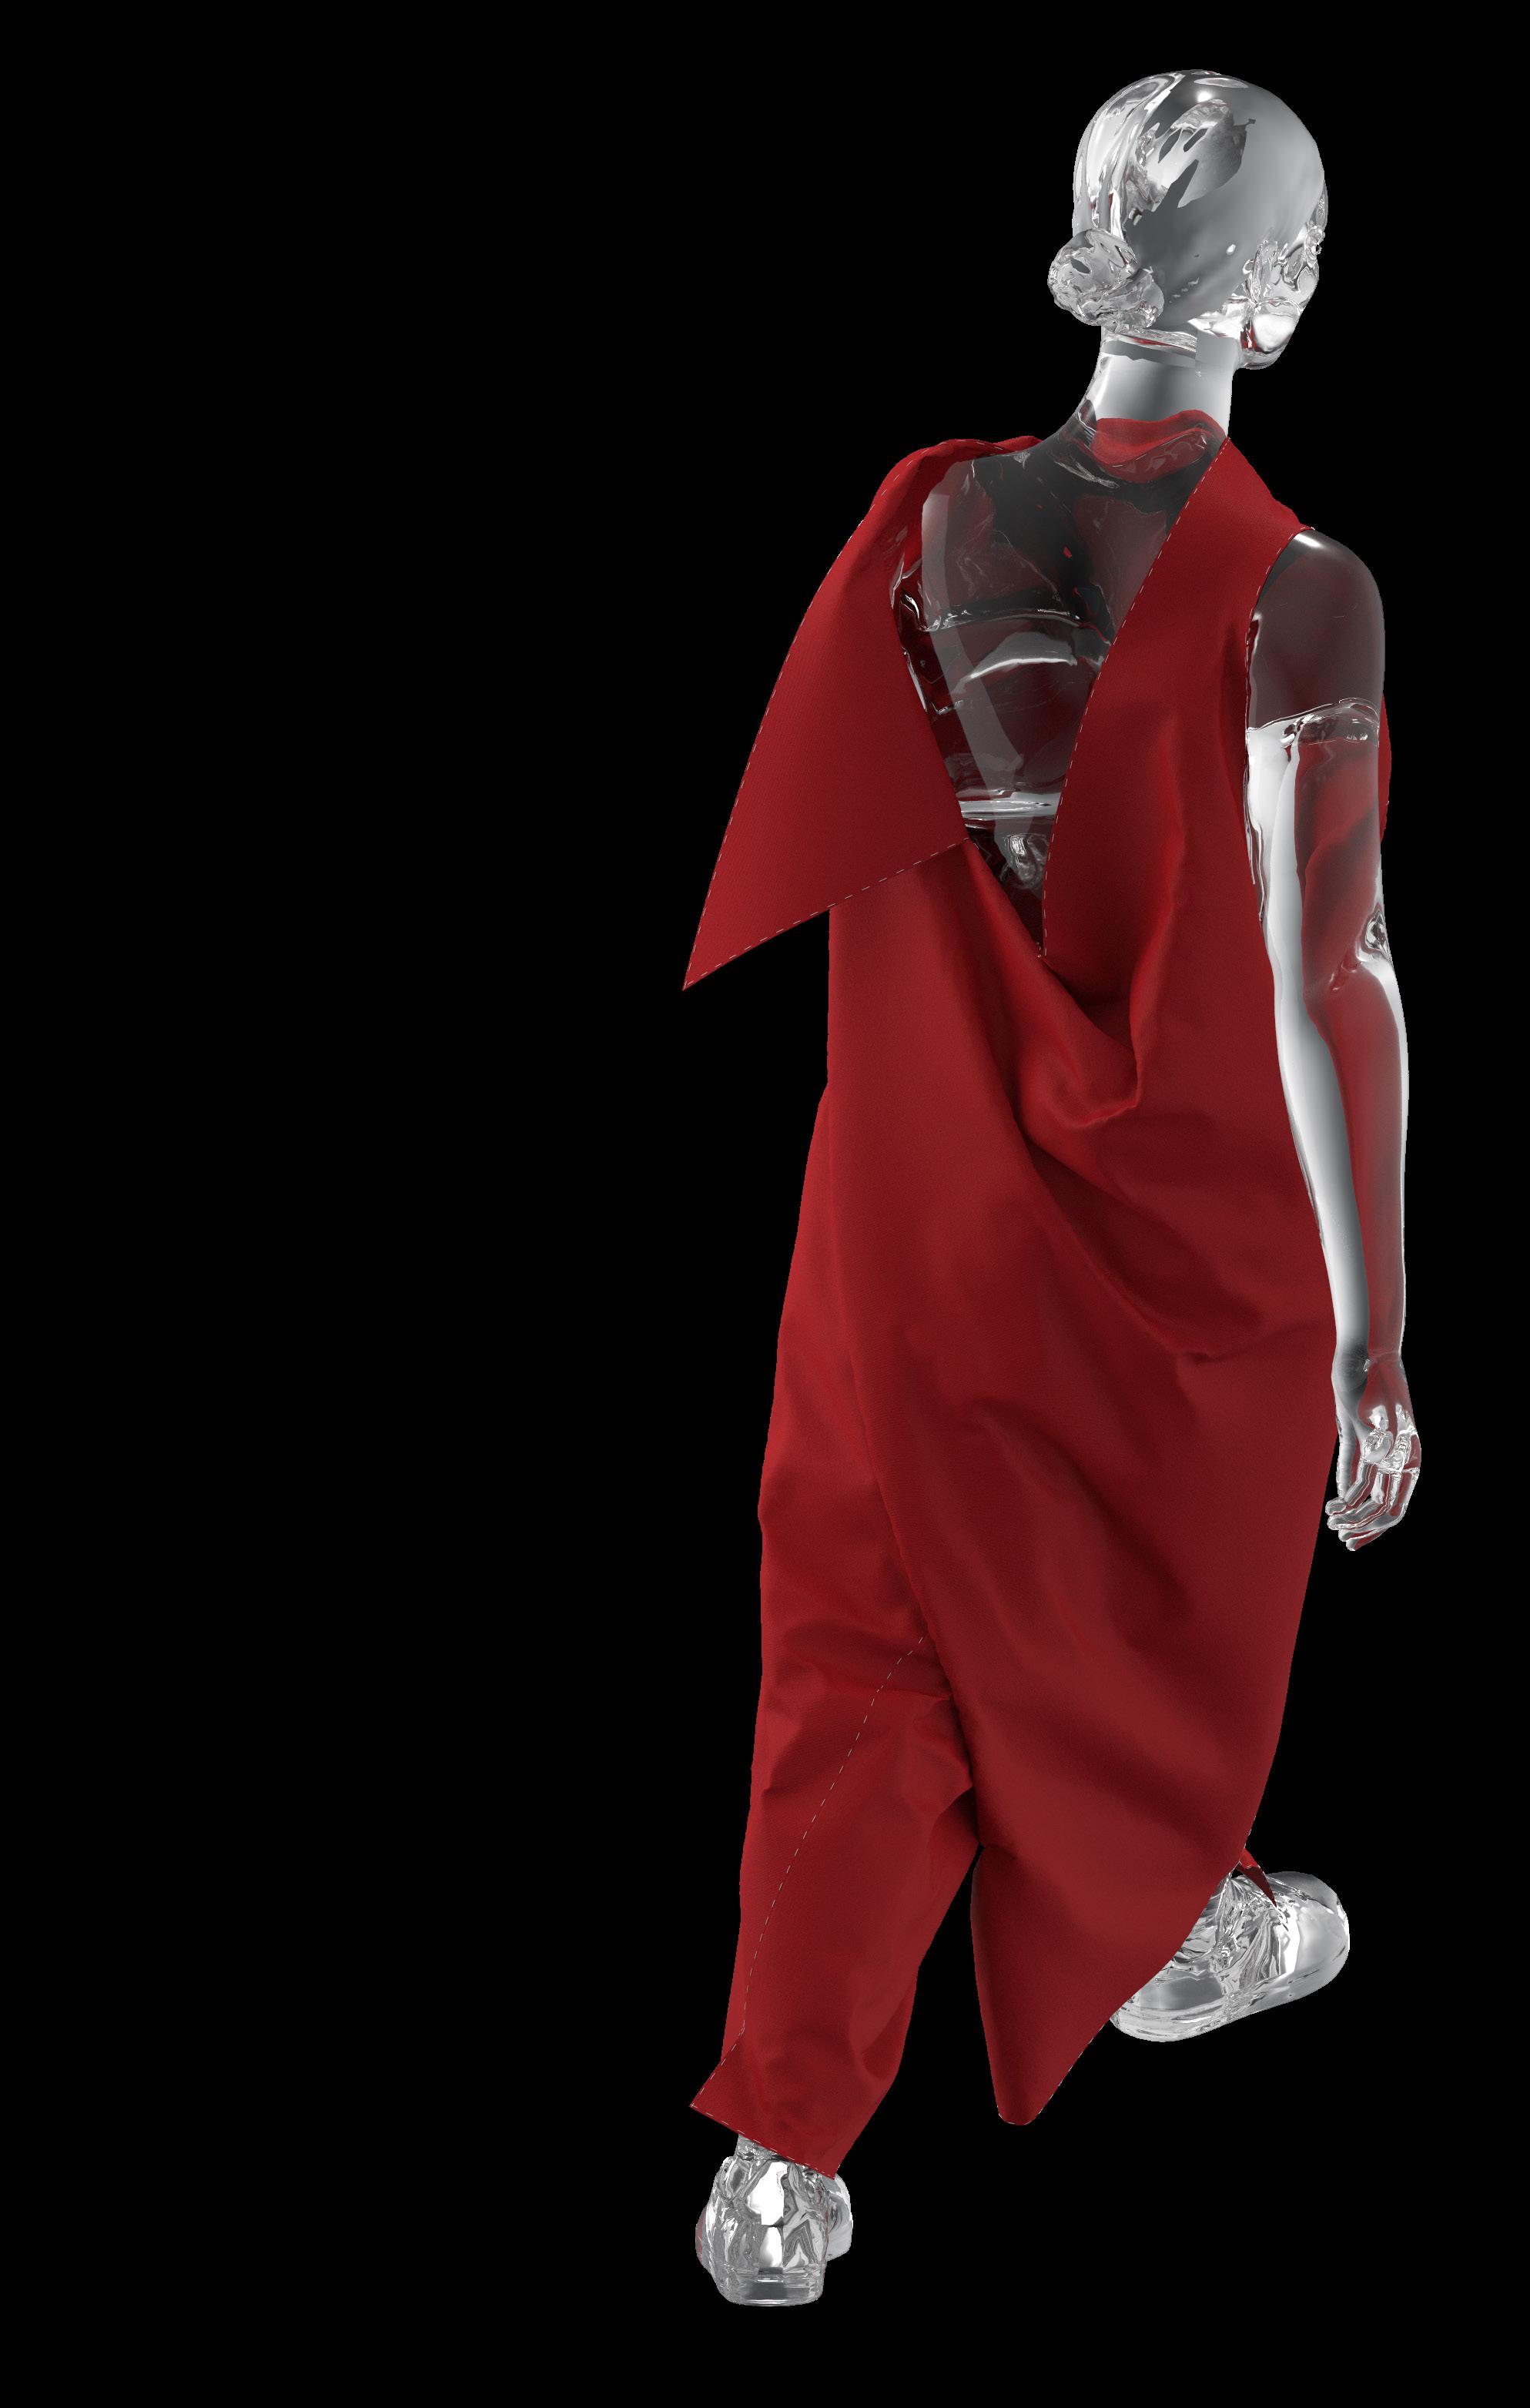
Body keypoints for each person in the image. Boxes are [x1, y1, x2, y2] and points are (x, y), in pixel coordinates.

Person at [686, 70, 1420, 2308]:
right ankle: (1162, 1909)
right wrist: (1376, 1335)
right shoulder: (1300, 596)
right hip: (1159, 1210)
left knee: (865, 1628)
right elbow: (1333, 980)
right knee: (1144, 1567)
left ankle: (780, 2156)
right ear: (1273, 298)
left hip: (913, 1192)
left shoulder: (924, 521)